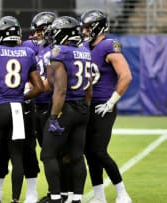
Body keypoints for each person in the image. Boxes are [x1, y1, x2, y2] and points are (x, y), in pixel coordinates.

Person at [0, 16, 44, 203]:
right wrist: (20, 98)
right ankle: (15, 199)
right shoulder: (28, 52)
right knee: (17, 157)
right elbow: (39, 87)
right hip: (18, 109)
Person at [81, 10, 132, 203]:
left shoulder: (109, 45)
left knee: (99, 151)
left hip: (104, 105)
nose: (84, 31)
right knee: (88, 151)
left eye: (87, 27)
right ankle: (99, 196)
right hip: (88, 105)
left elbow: (126, 75)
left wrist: (111, 102)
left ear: (98, 27)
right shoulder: (84, 47)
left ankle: (122, 193)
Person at [40, 16, 92, 203]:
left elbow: (59, 89)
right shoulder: (85, 52)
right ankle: (77, 198)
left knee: (48, 154)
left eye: (56, 31)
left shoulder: (60, 52)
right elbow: (89, 88)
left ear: (64, 33)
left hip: (66, 108)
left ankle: (55, 197)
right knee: (77, 156)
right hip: (82, 108)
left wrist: (54, 116)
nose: (53, 34)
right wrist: (85, 109)